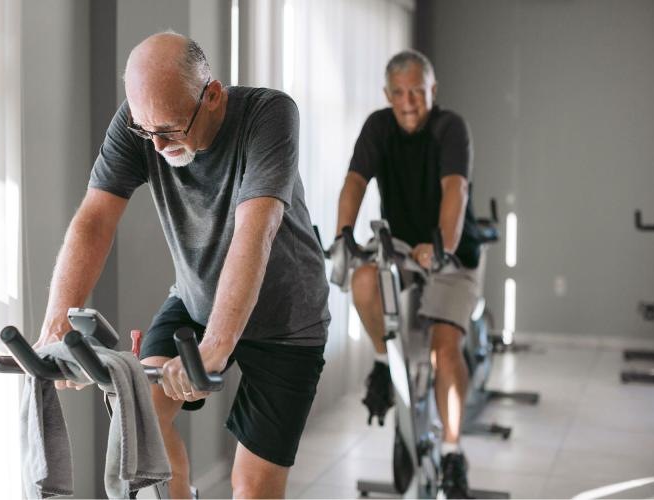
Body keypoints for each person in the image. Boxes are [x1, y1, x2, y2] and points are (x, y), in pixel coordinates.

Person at [35, 31, 330, 498]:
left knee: (251, 488)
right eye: (145, 131)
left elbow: (256, 231)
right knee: (138, 422)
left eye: (169, 129)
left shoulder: (269, 115)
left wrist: (216, 346)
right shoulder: (142, 122)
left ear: (212, 96)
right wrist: (57, 323)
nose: (155, 145)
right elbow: (95, 219)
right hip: (196, 301)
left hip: (287, 320)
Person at [334, 49, 480, 499]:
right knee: (362, 279)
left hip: (452, 253)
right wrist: (343, 235)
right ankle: (383, 364)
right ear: (387, 95)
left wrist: (441, 246)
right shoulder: (379, 127)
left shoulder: (449, 128)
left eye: (417, 91)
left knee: (444, 349)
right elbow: (355, 181)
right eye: (399, 93)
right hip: (399, 249)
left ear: (432, 90)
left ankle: (452, 452)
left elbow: (455, 188)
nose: (409, 102)